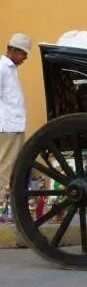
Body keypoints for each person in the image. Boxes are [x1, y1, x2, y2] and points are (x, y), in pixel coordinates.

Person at [0, 33, 30, 220]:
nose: (24, 58)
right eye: (23, 54)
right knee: (6, 166)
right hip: (7, 126)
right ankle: (2, 206)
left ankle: (6, 205)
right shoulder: (2, 67)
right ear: (12, 49)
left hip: (15, 125)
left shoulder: (10, 68)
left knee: (12, 166)